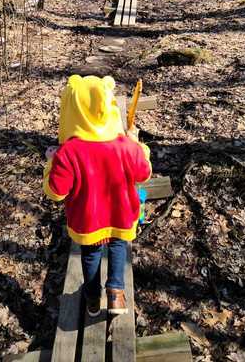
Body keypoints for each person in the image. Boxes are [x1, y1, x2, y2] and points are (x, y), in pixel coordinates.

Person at [43, 75, 151, 317]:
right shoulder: (125, 145)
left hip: (88, 220)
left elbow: (56, 193)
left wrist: (51, 164)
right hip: (121, 215)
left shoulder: (68, 153)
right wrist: (139, 146)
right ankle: (116, 294)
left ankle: (92, 298)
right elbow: (143, 174)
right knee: (118, 246)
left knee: (90, 254)